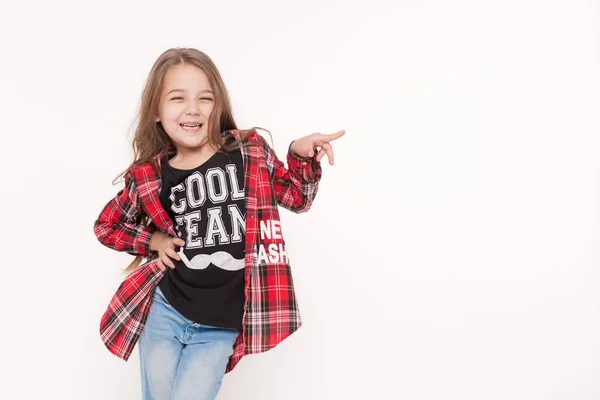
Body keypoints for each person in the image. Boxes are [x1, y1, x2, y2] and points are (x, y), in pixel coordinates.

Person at [92, 47, 345, 400]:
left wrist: (299, 156)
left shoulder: (248, 152)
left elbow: (297, 199)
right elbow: (107, 225)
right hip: (165, 310)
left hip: (221, 324)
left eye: (205, 98)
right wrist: (154, 241)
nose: (193, 109)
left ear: (218, 106)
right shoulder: (150, 175)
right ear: (156, 112)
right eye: (177, 98)